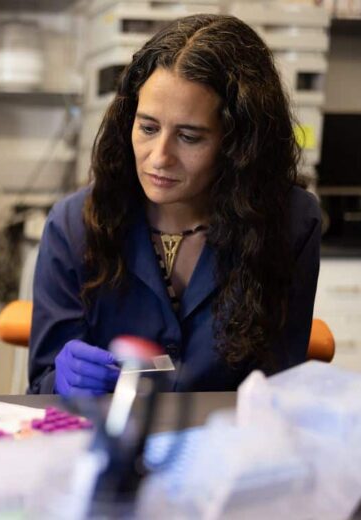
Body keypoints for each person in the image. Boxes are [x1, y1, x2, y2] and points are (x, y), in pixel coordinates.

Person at [28, 14, 321, 396]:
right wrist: (61, 382)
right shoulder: (73, 226)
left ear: (239, 145)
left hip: (226, 448)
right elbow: (40, 387)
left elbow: (278, 392)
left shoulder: (290, 224)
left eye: (189, 136)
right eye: (148, 128)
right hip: (108, 445)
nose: (159, 157)